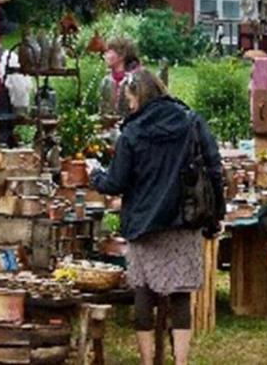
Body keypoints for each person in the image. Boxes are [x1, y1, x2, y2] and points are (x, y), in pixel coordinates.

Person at [90, 70, 223, 365]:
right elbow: (214, 169)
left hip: (143, 222)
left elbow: (116, 183)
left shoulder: (132, 132)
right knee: (180, 294)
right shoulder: (191, 121)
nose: (130, 106)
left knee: (144, 293)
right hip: (184, 218)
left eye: (131, 99)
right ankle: (182, 361)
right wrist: (216, 216)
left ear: (140, 95)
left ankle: (148, 361)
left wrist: (95, 176)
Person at [99, 38, 142, 121]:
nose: (105, 55)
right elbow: (103, 109)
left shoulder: (137, 79)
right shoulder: (106, 81)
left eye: (108, 52)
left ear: (122, 55)